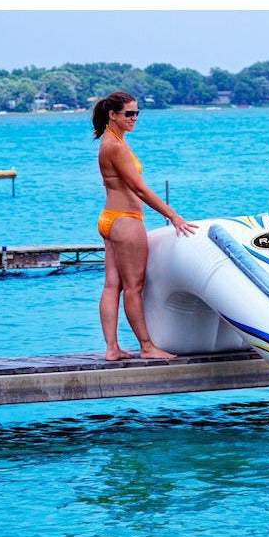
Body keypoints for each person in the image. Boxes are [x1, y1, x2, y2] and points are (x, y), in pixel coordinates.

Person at [94, 91, 197, 360]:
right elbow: (139, 189)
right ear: (112, 115)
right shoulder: (115, 147)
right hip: (125, 221)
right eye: (129, 114)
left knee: (111, 285)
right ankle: (146, 346)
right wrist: (172, 215)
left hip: (110, 219)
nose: (134, 118)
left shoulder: (113, 141)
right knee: (133, 287)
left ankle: (112, 348)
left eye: (137, 113)